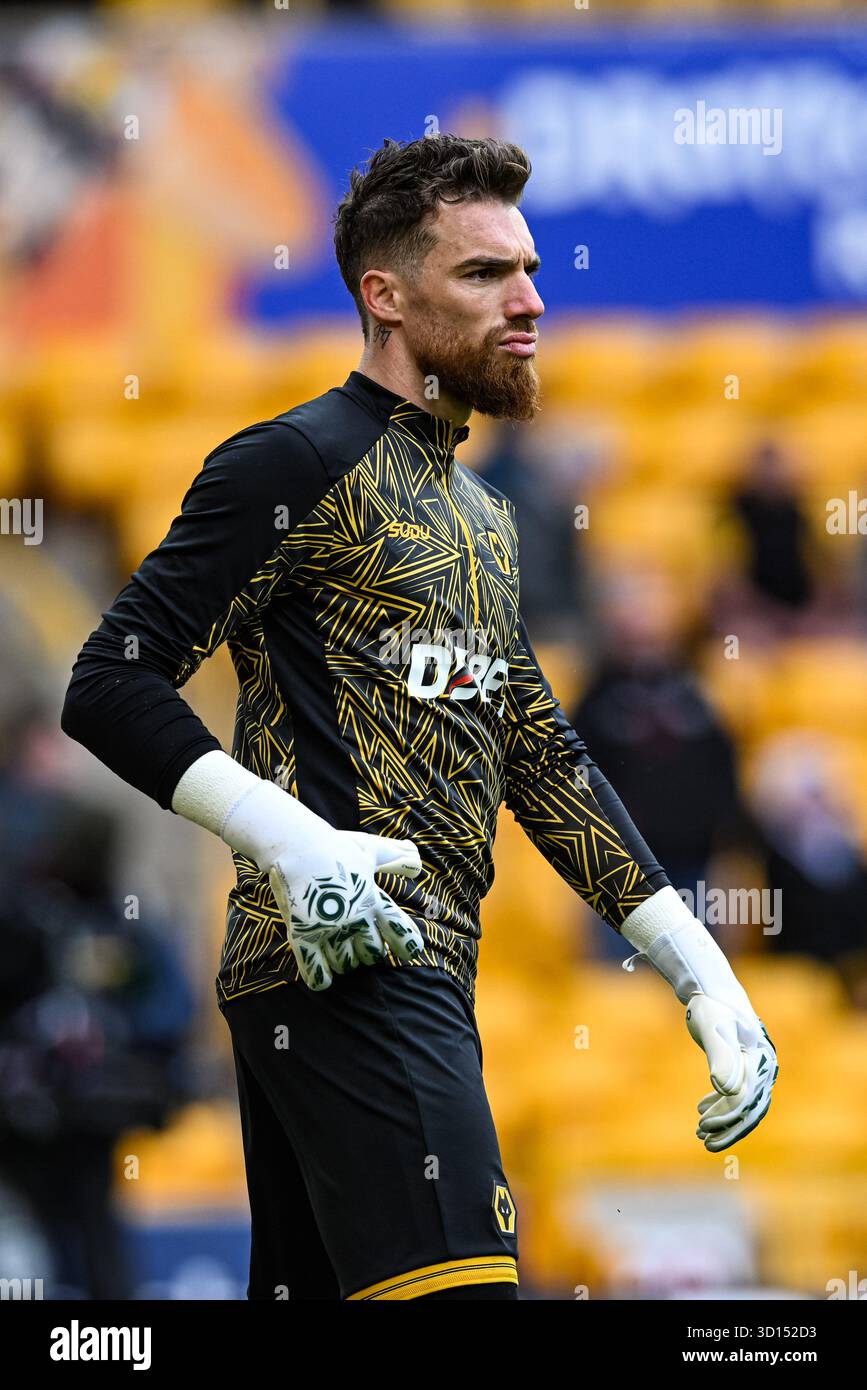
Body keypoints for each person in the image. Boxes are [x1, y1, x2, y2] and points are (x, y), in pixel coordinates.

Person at [61, 135, 777, 1303]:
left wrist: (702, 972)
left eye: (532, 269)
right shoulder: (294, 460)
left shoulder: (485, 519)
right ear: (386, 297)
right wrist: (292, 841)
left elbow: (542, 756)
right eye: (487, 274)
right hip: (352, 963)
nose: (533, 300)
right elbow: (109, 679)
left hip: (397, 978)